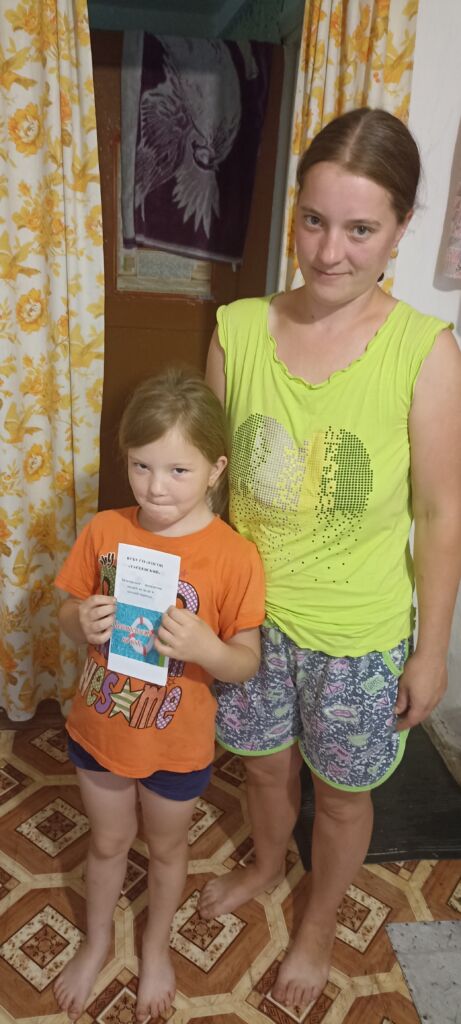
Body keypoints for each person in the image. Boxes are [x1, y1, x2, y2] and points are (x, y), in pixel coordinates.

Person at [199, 107, 461, 1008]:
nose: (329, 251)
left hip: (358, 637)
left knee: (343, 796)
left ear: (399, 229)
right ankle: (267, 863)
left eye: (359, 229)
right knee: (262, 767)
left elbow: (439, 511)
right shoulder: (236, 330)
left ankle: (315, 925)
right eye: (313, 220)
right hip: (248, 621)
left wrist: (430, 650)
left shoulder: (425, 352)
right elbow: (206, 488)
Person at [53, 368, 265, 1022]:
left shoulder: (235, 556)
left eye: (178, 470)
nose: (154, 486)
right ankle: (96, 941)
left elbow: (244, 663)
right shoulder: (104, 529)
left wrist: (206, 648)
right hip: (99, 733)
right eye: (141, 465)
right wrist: (80, 619)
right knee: (107, 843)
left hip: (177, 745)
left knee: (168, 850)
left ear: (215, 470)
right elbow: (65, 611)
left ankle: (155, 946)